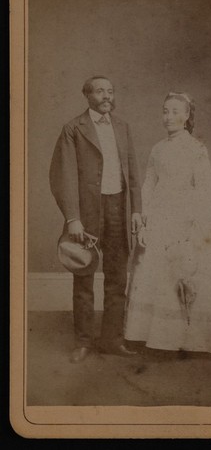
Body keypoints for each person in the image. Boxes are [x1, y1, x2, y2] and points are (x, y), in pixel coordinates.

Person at [124, 92, 211, 357]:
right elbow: (147, 185)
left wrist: (202, 226)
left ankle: (192, 338)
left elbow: (204, 189)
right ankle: (155, 336)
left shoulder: (196, 148)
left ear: (187, 116)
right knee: (152, 268)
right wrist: (144, 221)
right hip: (158, 215)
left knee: (189, 270)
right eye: (166, 111)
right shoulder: (157, 148)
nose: (170, 117)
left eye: (176, 111)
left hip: (186, 215)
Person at [50, 76, 142, 363]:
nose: (107, 96)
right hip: (87, 213)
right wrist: (73, 219)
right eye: (100, 91)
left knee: (117, 276)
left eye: (110, 91)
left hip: (118, 208)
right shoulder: (72, 129)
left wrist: (136, 210)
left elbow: (134, 175)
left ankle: (112, 340)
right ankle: (84, 342)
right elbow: (63, 177)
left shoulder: (123, 127)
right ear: (87, 95)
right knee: (84, 276)